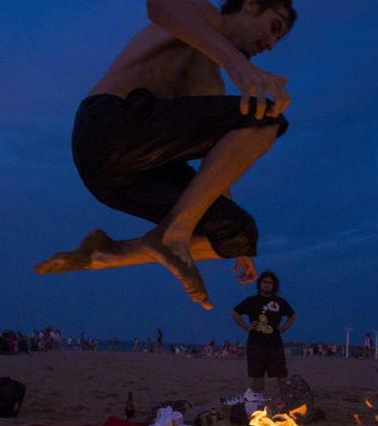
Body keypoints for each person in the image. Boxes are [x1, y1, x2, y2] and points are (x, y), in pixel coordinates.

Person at [34, 0, 297, 309]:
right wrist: (241, 68)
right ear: (251, 5)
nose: (269, 44)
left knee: (240, 233)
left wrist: (231, 241)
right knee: (266, 117)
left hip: (118, 179)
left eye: (277, 40)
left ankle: (106, 254)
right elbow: (160, 7)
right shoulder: (205, 17)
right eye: (274, 27)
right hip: (109, 127)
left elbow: (216, 168)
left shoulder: (209, 81)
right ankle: (174, 233)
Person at [232, 269, 294, 392]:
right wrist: (245, 326)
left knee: (282, 374)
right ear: (260, 284)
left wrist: (284, 328)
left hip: (275, 344)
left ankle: (287, 402)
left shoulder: (280, 302)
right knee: (257, 376)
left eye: (270, 282)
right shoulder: (252, 301)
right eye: (264, 282)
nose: (267, 284)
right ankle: (259, 405)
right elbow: (235, 312)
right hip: (255, 344)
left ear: (274, 285)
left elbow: (292, 315)